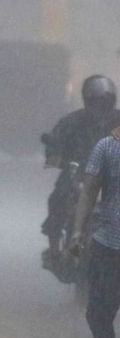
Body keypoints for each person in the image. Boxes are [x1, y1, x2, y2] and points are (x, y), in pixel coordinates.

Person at [42, 75, 120, 266]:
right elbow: (55, 142)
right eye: (96, 101)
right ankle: (55, 251)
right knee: (59, 197)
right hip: (78, 173)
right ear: (87, 100)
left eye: (105, 102)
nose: (100, 106)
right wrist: (55, 155)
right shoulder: (72, 121)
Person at [71, 125, 120, 338]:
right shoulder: (107, 147)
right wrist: (78, 231)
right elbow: (89, 190)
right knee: (97, 317)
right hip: (109, 245)